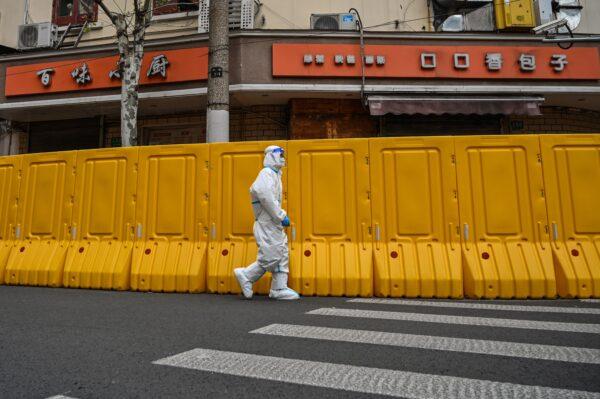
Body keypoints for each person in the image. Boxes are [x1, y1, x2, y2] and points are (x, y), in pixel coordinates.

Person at [233, 145, 300, 300]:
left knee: (281, 252)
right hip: (267, 222)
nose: (283, 157)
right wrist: (281, 215)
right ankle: (246, 275)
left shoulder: (276, 174)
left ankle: (279, 288)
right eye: (280, 154)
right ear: (271, 155)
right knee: (271, 254)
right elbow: (264, 195)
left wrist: (279, 217)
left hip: (272, 222)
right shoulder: (266, 173)